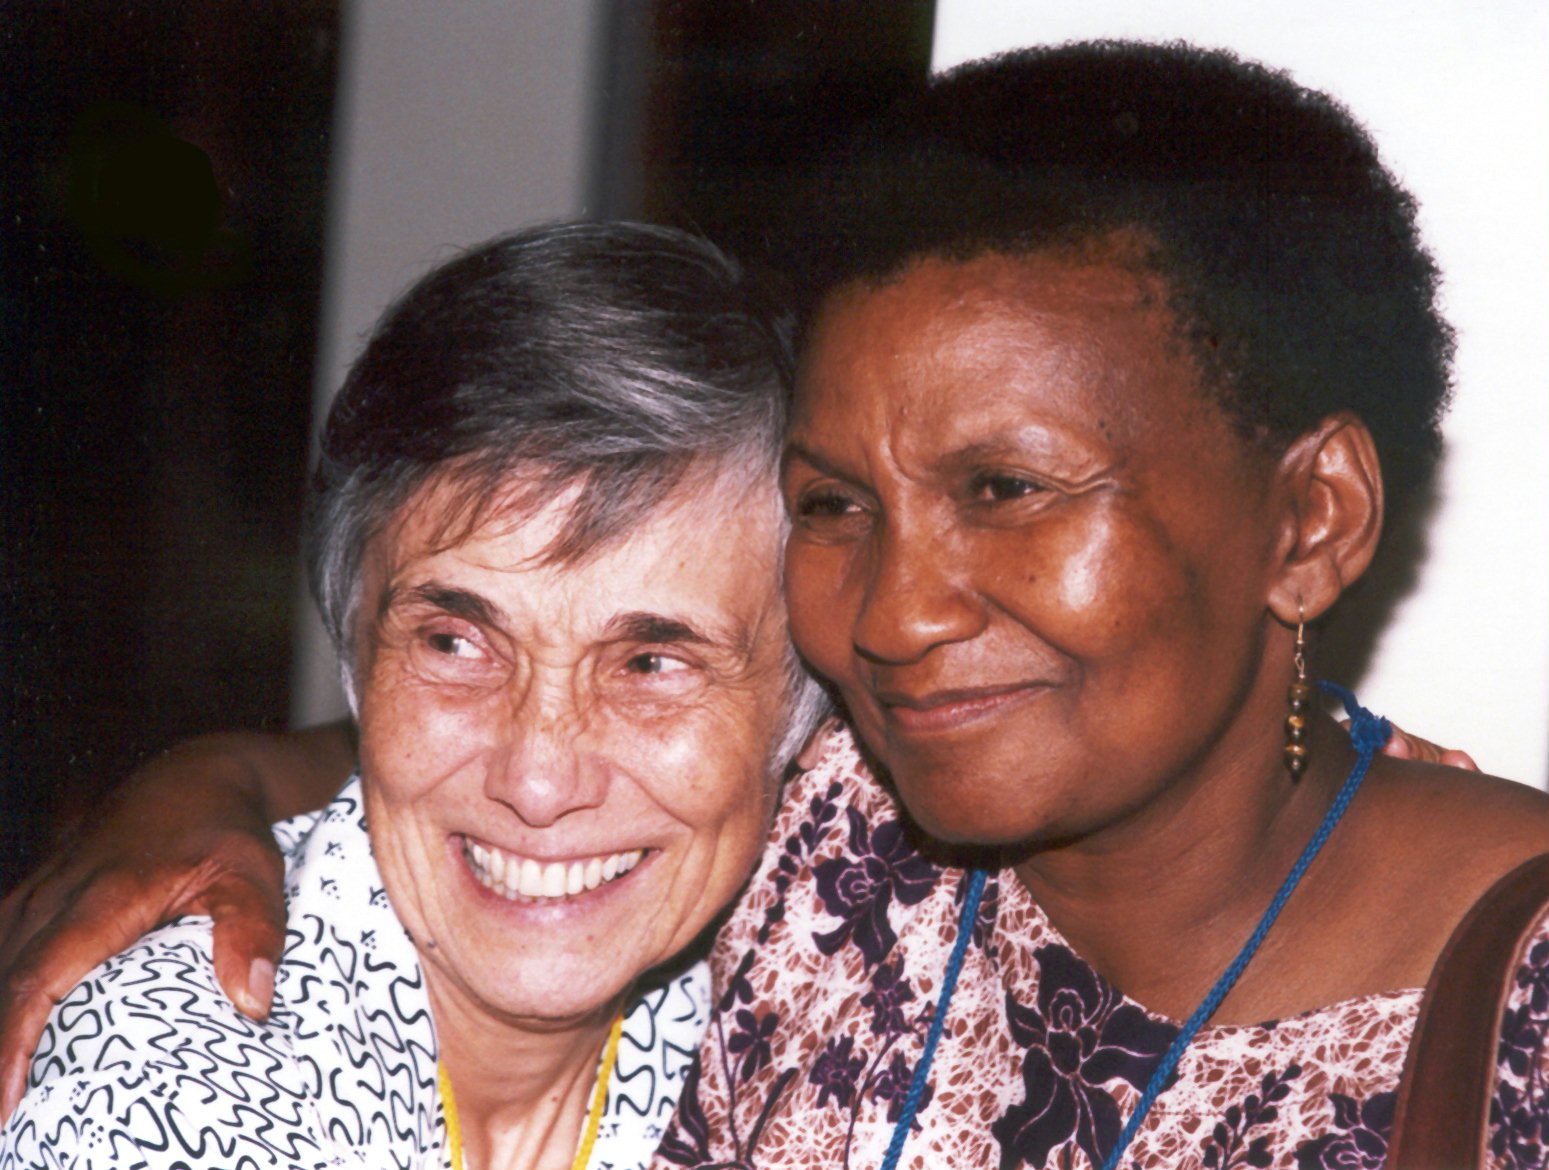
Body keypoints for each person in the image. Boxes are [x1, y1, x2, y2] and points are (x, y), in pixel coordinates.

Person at [4, 40, 1545, 1170]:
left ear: (1312, 517)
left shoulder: (1507, 1003)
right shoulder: (844, 851)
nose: (894, 610)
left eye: (1004, 488)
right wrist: (201, 790)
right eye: (835, 504)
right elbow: (485, 765)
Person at [0, 221, 827, 1168]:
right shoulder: (169, 1084)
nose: (540, 779)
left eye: (649, 665)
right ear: (352, 651)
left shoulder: (828, 1009)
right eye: (456, 643)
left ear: (806, 710)